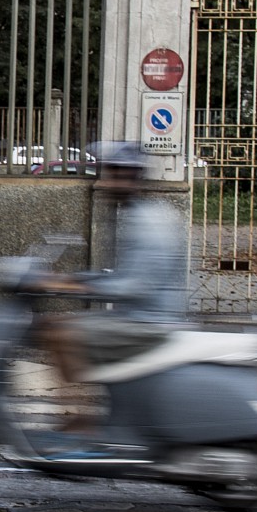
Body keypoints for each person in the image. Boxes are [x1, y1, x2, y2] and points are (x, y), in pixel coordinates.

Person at [42, 140, 189, 427]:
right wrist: (73, 279)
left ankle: (78, 422)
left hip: (150, 325)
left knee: (59, 330)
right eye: (109, 174)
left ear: (134, 178)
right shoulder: (137, 213)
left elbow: (135, 286)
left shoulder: (148, 222)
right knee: (65, 326)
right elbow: (121, 275)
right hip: (140, 319)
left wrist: (81, 288)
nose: (108, 183)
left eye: (116, 175)